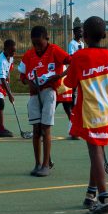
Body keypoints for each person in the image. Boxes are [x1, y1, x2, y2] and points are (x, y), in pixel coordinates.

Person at [63, 16, 108, 214]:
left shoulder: (80, 56)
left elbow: (70, 83)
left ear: (83, 35)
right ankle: (91, 193)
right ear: (103, 35)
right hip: (106, 110)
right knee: (97, 152)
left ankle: (105, 198)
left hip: (89, 111)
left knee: (95, 154)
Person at [17, 26, 70, 177]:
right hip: (34, 95)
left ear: (47, 38)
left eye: (39, 43)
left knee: (46, 128)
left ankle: (46, 164)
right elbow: (22, 77)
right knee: (36, 129)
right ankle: (37, 163)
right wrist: (29, 82)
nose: (37, 47)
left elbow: (71, 62)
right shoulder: (28, 55)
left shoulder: (54, 50)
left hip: (49, 93)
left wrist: (59, 76)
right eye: (34, 44)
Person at [58, 26, 85, 139]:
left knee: (73, 102)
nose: (81, 33)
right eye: (79, 31)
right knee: (70, 102)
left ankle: (74, 129)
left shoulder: (82, 44)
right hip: (73, 73)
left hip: (81, 72)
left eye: (82, 31)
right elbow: (71, 57)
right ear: (74, 33)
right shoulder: (72, 44)